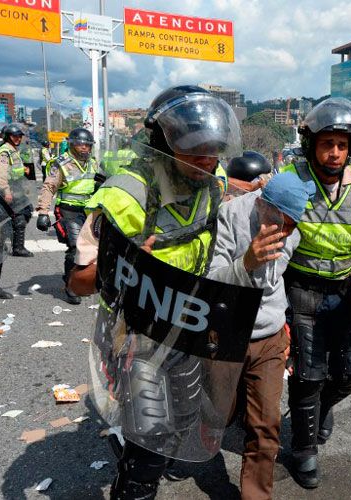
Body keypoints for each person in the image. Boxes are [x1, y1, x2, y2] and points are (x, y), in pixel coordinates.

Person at [67, 85, 241, 499]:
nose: (206, 161)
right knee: (151, 443)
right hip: (135, 336)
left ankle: (137, 449)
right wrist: (121, 260)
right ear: (163, 142)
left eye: (214, 150)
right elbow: (77, 281)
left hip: (185, 327)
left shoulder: (211, 183)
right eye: (194, 150)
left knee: (181, 420)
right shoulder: (127, 194)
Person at [279, 98, 351, 489]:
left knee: (349, 374)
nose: (335, 153)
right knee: (308, 375)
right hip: (301, 289)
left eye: (342, 145)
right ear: (312, 145)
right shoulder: (290, 182)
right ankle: (303, 450)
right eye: (327, 144)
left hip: (343, 292)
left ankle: (320, 409)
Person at [208, 172, 314, 499]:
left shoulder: (292, 230)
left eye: (290, 226)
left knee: (266, 424)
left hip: (268, 335)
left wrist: (287, 327)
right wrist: (247, 263)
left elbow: (282, 278)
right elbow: (213, 281)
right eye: (277, 222)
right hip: (227, 331)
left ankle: (255, 494)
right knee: (218, 414)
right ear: (260, 205)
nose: (282, 232)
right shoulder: (231, 216)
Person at [35, 128, 99, 305]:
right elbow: (49, 187)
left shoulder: (92, 163)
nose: (84, 147)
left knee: (92, 248)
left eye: (87, 144)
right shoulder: (61, 163)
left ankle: (83, 278)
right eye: (80, 144)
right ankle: (70, 285)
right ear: (72, 144)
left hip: (88, 211)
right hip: (68, 210)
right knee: (75, 247)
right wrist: (43, 212)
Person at [0, 123, 34, 257]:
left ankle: (8, 244)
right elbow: (1, 174)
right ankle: (17, 248)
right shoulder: (5, 152)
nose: (18, 138)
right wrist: (6, 191)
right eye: (14, 136)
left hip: (18, 189)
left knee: (23, 214)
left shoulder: (13, 150)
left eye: (19, 136)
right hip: (10, 191)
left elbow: (14, 170)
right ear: (7, 136)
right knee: (19, 219)